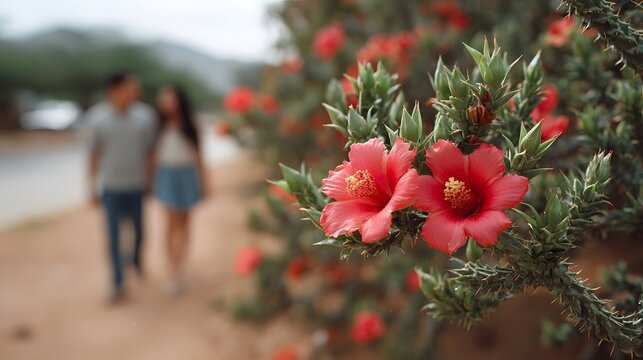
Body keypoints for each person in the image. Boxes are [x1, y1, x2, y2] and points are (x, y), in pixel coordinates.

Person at [86, 73, 157, 302]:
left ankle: (136, 259)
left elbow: (150, 152)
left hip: (137, 187)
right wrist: (91, 187)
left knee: (139, 232)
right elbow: (94, 155)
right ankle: (117, 282)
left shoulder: (145, 117)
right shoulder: (98, 119)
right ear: (115, 90)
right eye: (130, 88)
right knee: (114, 237)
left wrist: (150, 181)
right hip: (112, 188)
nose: (134, 93)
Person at [154, 85, 207, 294]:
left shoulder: (189, 126)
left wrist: (204, 180)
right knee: (169, 223)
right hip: (167, 175)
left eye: (170, 99)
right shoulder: (157, 126)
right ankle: (172, 268)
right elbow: (152, 155)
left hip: (187, 175)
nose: (167, 104)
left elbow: (199, 155)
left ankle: (180, 265)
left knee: (185, 223)